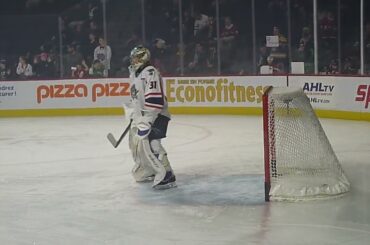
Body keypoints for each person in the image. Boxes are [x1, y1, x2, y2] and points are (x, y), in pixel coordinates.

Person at [125, 45, 176, 190]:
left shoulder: (150, 72)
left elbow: (154, 100)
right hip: (146, 116)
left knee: (153, 143)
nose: (133, 60)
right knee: (139, 145)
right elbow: (136, 98)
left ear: (143, 58)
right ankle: (150, 170)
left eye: (135, 57)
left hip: (157, 115)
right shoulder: (135, 74)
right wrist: (135, 115)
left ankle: (167, 174)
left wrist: (148, 120)